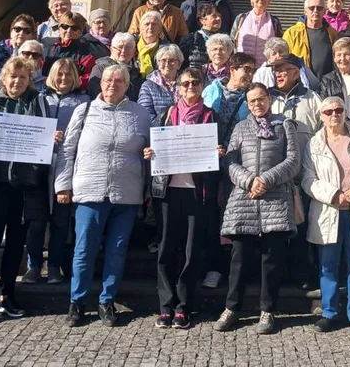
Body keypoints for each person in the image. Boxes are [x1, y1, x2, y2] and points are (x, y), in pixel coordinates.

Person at [57, 64, 152, 327]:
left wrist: (150, 158)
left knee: (117, 251)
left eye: (119, 80)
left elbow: (150, 152)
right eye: (108, 79)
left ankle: (106, 301)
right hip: (90, 190)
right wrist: (62, 185)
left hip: (127, 193)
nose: (113, 84)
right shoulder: (85, 110)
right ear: (100, 83)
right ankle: (77, 302)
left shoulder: (141, 114)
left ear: (127, 85)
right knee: (84, 249)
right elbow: (68, 150)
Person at [0, 56, 51, 325]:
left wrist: (50, 138)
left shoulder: (37, 100)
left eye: (23, 77)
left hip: (24, 183)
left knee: (17, 242)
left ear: (30, 80)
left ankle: (7, 295)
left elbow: (42, 137)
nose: (17, 82)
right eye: (12, 77)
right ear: (4, 79)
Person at [214, 83, 300, 336]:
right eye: (251, 101)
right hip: (244, 200)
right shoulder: (240, 128)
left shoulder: (285, 125)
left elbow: (293, 161)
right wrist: (250, 181)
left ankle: (267, 310)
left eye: (260, 99)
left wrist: (266, 180)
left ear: (269, 99)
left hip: (275, 199)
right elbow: (229, 161)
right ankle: (232, 308)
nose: (256, 105)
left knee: (271, 260)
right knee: (239, 259)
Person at [145, 68, 225, 330]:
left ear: (203, 86)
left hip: (197, 193)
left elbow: (223, 151)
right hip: (168, 191)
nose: (191, 86)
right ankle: (166, 306)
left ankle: (184, 307)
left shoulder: (213, 117)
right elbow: (151, 145)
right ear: (177, 87)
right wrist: (150, 152)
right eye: (185, 83)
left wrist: (219, 152)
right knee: (167, 248)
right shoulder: (166, 115)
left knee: (192, 252)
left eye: (195, 82)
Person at [302, 96, 350, 335]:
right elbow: (307, 179)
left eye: (339, 110)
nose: (334, 115)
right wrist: (334, 194)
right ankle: (329, 313)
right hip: (328, 211)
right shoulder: (314, 143)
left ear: (345, 112)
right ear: (321, 116)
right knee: (328, 265)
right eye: (329, 112)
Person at [24, 59, 90, 286]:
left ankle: (54, 266)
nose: (63, 79)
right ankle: (33, 265)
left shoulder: (84, 102)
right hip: (38, 168)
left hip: (67, 167)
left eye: (68, 75)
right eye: (59, 74)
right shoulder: (38, 98)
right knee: (36, 221)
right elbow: (25, 130)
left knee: (61, 221)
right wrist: (45, 137)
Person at [201, 52, 257, 289]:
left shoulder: (252, 95)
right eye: (246, 68)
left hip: (239, 163)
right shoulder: (211, 91)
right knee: (212, 214)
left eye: (252, 70)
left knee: (237, 215)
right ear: (232, 69)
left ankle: (238, 271)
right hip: (209, 162)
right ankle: (214, 267)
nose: (249, 74)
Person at [268, 54, 322, 290]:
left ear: (296, 72)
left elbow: (323, 134)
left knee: (301, 226)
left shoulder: (312, 98)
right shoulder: (267, 97)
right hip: (274, 177)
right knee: (276, 229)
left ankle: (302, 273)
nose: (277, 73)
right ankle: (277, 274)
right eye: (275, 70)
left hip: (303, 175)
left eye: (283, 69)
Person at [283, 0, 337, 87]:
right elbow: (284, 60)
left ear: (324, 12)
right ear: (305, 11)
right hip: (300, 85)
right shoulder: (291, 34)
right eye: (311, 8)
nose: (315, 11)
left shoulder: (333, 34)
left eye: (319, 8)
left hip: (327, 85)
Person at [0, 14, 37, 88]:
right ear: (11, 32)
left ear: (32, 36)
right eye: (17, 29)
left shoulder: (35, 54)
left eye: (27, 31)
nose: (21, 33)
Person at [230, 0, 283, 65]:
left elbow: (280, 45)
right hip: (243, 66)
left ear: (269, 0)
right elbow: (231, 42)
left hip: (265, 67)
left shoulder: (274, 21)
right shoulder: (241, 18)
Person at [44, 12, 96, 91]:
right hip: (47, 91)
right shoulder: (48, 50)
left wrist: (67, 85)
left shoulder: (86, 54)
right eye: (65, 27)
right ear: (59, 28)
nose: (69, 31)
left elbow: (88, 77)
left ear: (80, 32)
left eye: (74, 28)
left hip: (74, 94)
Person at [89, 32, 143, 101]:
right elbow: (95, 95)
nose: (123, 51)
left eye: (128, 48)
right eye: (120, 47)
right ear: (111, 49)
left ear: (134, 52)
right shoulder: (100, 69)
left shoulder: (137, 72)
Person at [137, 44, 184, 123]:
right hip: (159, 131)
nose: (167, 64)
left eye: (172, 61)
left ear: (179, 64)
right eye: (163, 60)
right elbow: (145, 114)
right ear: (158, 64)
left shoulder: (187, 83)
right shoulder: (148, 86)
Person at [179, 4, 223, 71]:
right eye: (214, 16)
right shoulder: (190, 40)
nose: (218, 18)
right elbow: (180, 65)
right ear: (202, 20)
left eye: (219, 16)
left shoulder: (225, 41)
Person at [136, 11, 170, 78]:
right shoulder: (131, 45)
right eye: (147, 24)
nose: (150, 27)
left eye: (154, 24)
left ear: (160, 29)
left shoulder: (167, 50)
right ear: (141, 28)